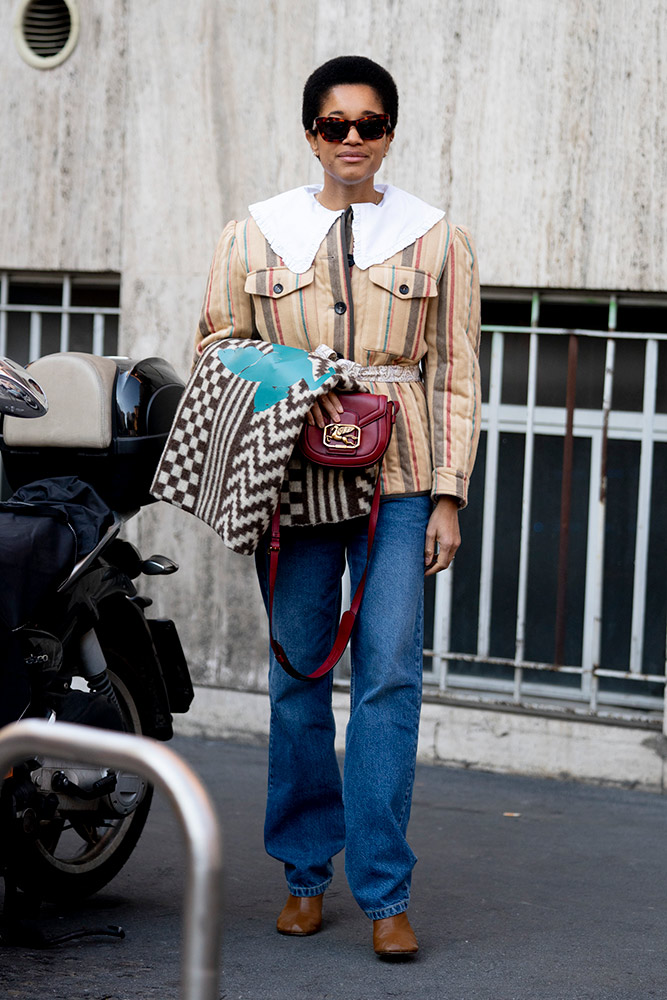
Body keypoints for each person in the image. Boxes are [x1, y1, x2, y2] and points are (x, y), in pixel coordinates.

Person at [194, 55, 481, 958]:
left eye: (367, 124)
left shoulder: (436, 237)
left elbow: (454, 371)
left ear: (389, 131)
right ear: (309, 132)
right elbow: (216, 344)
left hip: (399, 480)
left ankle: (386, 893)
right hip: (297, 480)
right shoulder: (254, 234)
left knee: (391, 675)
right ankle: (305, 875)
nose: (349, 139)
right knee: (300, 675)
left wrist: (448, 496)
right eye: (333, 124)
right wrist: (299, 378)